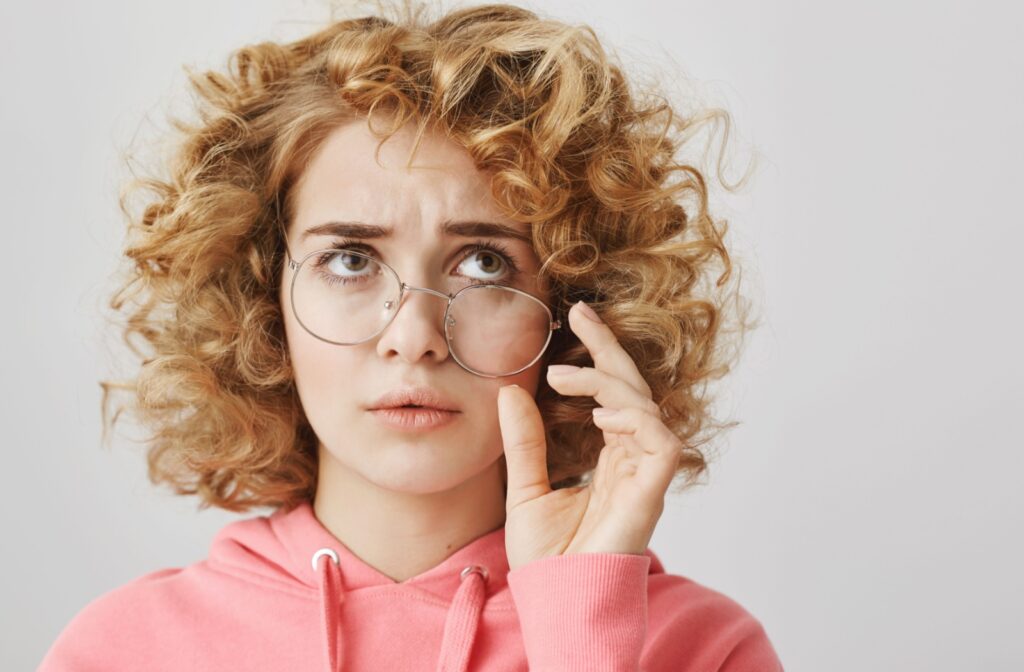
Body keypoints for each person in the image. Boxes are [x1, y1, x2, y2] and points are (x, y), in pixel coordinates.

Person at [39, 1, 782, 669]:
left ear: (573, 308)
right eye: (351, 260)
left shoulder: (700, 649)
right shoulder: (122, 650)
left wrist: (580, 632)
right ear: (262, 301)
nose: (414, 335)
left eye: (484, 263)